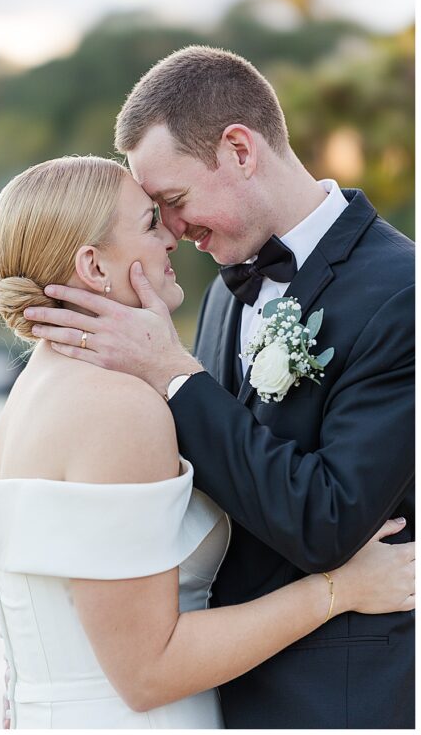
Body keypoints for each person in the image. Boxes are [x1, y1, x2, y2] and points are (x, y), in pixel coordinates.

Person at [22, 47, 415, 728]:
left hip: (339, 699)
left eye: (173, 201)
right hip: (208, 688)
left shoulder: (402, 293)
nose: (172, 230)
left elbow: (330, 519)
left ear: (239, 149)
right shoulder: (221, 298)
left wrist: (176, 375)